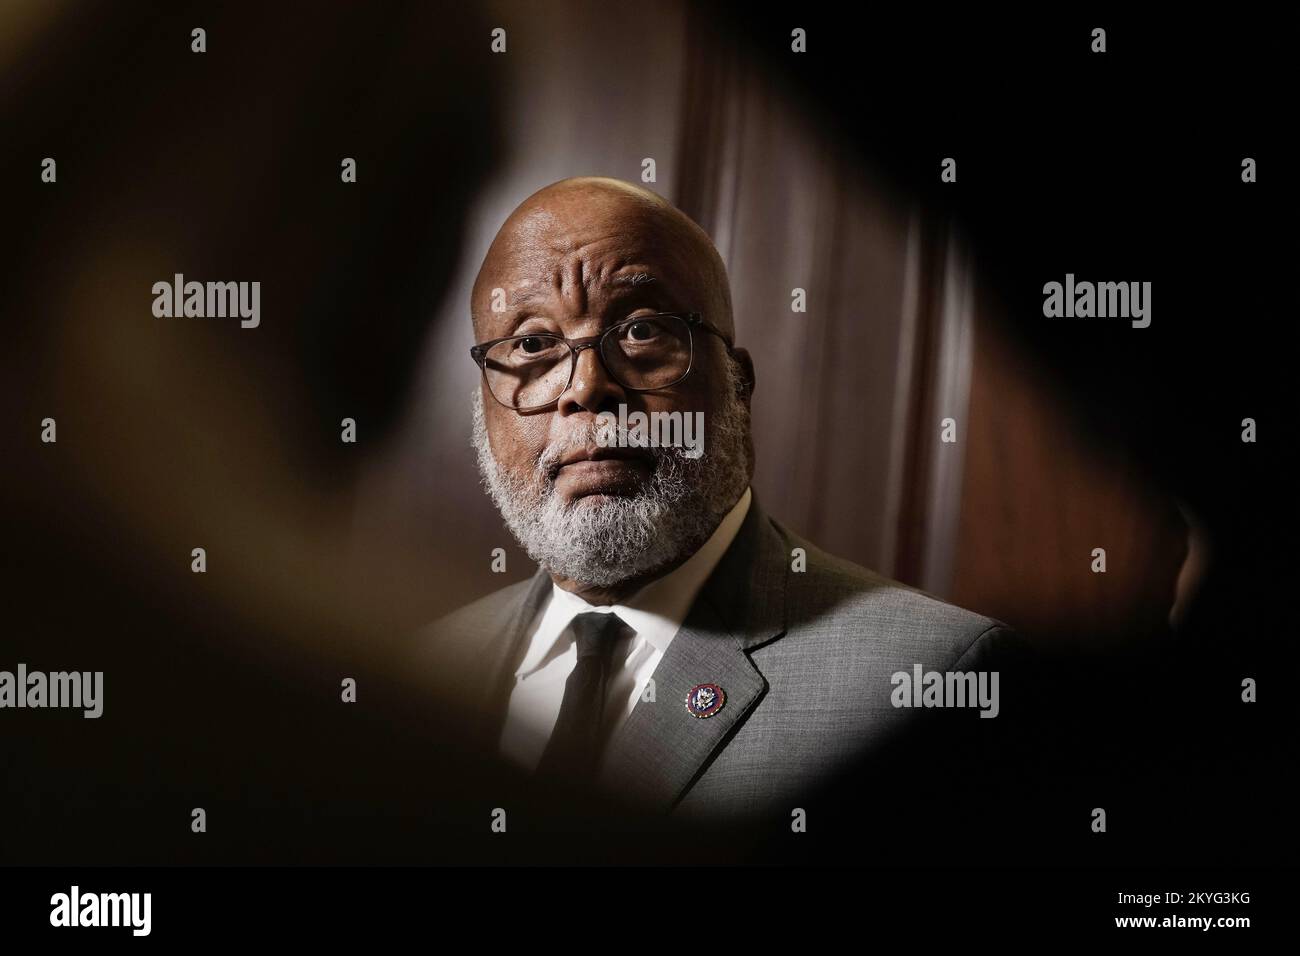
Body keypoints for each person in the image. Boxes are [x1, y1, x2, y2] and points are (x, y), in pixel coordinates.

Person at [417, 176, 1012, 824]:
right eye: (532, 344)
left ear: (738, 387)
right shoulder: (419, 675)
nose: (586, 390)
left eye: (642, 330)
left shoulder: (934, 677)